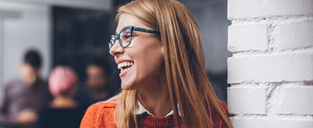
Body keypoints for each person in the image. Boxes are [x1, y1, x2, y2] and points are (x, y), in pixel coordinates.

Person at [80, 0, 232, 128]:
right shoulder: (99, 119)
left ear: (167, 42)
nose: (113, 50)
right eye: (115, 39)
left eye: (127, 36)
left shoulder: (214, 118)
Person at [0, 50, 52, 128]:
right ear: (21, 66)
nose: (33, 79)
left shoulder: (46, 86)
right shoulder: (9, 86)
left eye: (36, 75)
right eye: (29, 74)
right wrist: (17, 119)